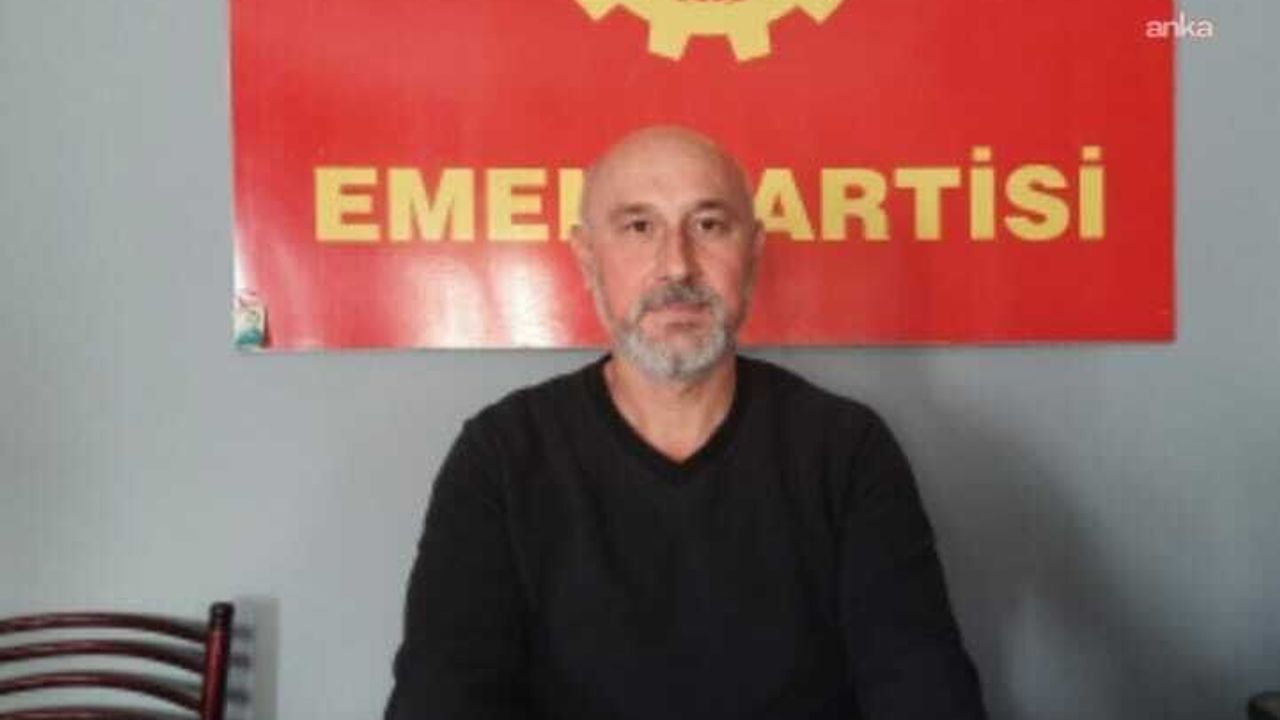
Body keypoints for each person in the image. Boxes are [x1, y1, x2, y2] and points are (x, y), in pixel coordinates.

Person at [384, 126, 987, 719]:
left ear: (753, 254)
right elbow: (441, 699)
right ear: (587, 259)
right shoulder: (501, 458)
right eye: (639, 227)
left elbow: (924, 691)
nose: (677, 265)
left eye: (709, 225)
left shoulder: (845, 451)